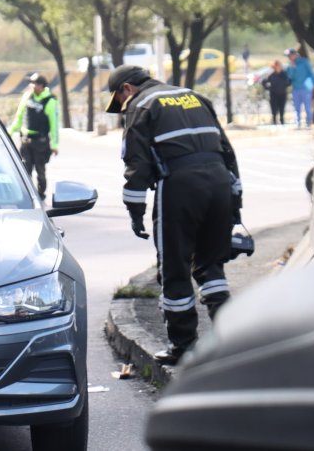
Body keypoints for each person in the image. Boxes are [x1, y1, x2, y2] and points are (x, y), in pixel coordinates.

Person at [106, 65, 241, 366]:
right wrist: (235, 202)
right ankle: (230, 339)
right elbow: (227, 151)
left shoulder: (140, 106)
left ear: (127, 89)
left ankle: (182, 347)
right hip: (219, 182)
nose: (122, 107)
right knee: (210, 265)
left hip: (180, 186)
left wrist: (135, 210)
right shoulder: (195, 97)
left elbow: (136, 163)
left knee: (175, 266)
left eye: (120, 100)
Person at [7, 73, 59, 199]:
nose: (32, 86)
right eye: (31, 83)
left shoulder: (50, 100)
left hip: (40, 142)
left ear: (41, 86)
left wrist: (55, 144)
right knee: (25, 170)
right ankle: (26, 194)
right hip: (26, 140)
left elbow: (54, 124)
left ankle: (41, 194)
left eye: (34, 84)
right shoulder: (27, 97)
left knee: (40, 171)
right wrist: (9, 132)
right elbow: (19, 116)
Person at [285, 48, 314, 128]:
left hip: (306, 88)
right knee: (296, 107)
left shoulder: (304, 62)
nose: (289, 57)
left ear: (295, 54)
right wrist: (292, 67)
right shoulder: (289, 65)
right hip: (295, 88)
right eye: (288, 56)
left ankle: (309, 123)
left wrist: (312, 85)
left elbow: (311, 74)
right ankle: (297, 123)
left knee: (307, 107)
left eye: (290, 55)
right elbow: (290, 77)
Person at [260, 60, 290, 126]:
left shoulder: (284, 74)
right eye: (277, 65)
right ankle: (274, 121)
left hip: (282, 94)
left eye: (279, 65)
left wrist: (285, 86)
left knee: (282, 108)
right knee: (274, 109)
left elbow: (289, 81)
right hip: (274, 94)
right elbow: (263, 82)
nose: (278, 67)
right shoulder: (271, 75)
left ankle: (282, 121)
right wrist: (268, 88)